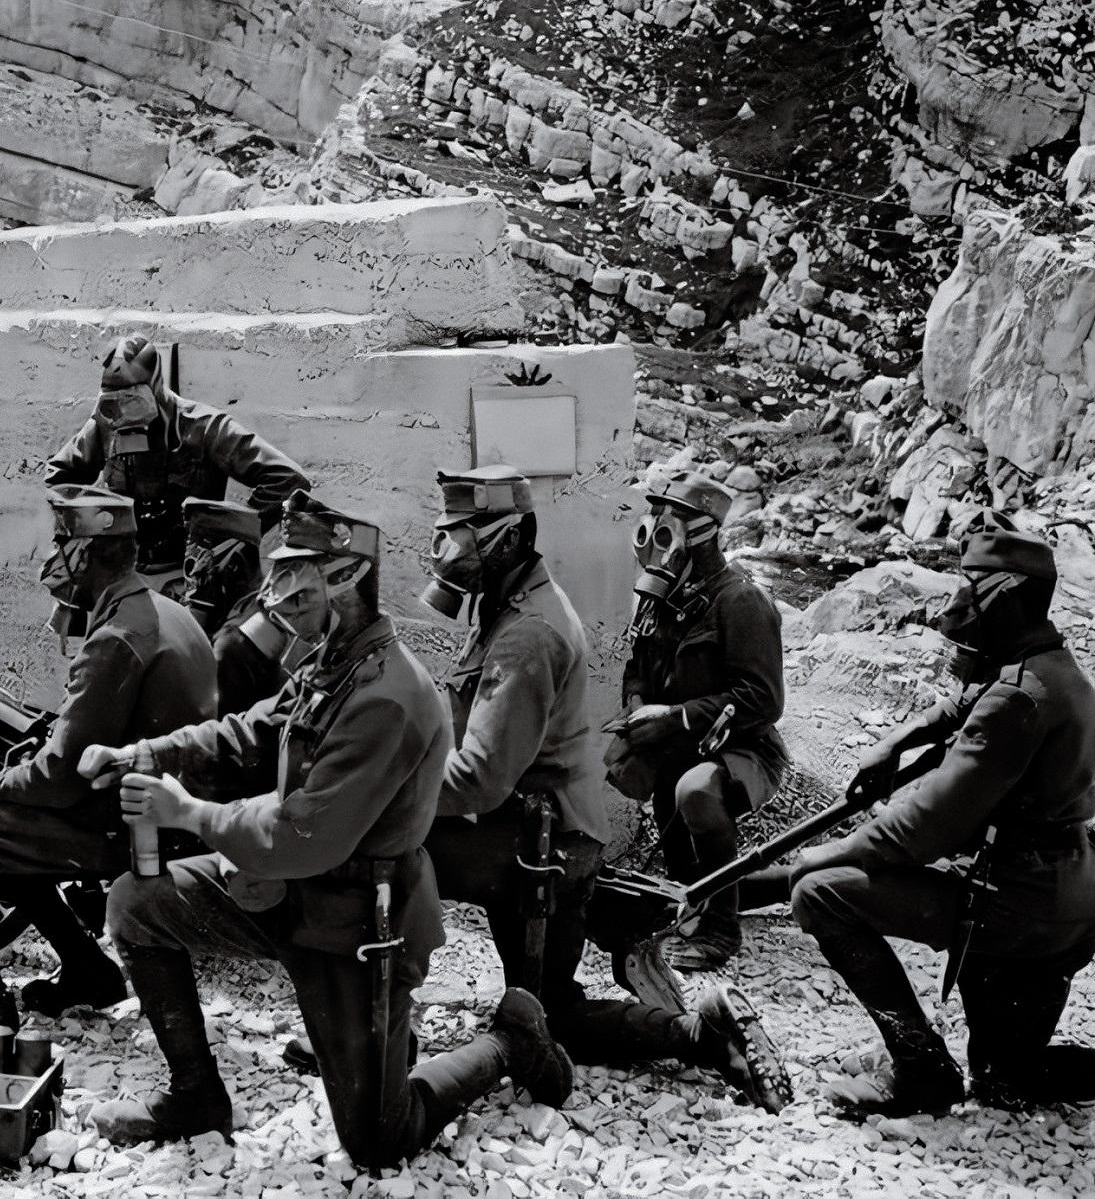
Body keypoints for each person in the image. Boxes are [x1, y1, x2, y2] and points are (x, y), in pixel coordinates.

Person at [78, 493, 571, 1168]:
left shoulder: (388, 698)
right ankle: (196, 1095)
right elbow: (254, 727)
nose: (276, 597)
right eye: (276, 577)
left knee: (378, 1142)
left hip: (358, 926)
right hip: (287, 895)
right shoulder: (333, 661)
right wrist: (151, 754)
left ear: (345, 578)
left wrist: (188, 812)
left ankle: (510, 1043)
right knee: (136, 903)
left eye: (293, 579)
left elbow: (305, 834)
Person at [782, 521, 1095, 1118]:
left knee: (820, 892)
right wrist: (899, 740)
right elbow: (965, 701)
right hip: (1062, 908)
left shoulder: (1017, 698)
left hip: (1015, 911)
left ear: (1002, 594)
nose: (958, 602)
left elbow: (924, 827)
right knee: (1009, 1082)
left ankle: (921, 1071)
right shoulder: (1051, 667)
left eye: (969, 587)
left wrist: (828, 855)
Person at [390, 466, 787, 1109]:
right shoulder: (509, 606)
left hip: (541, 846)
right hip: (536, 835)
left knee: (385, 842)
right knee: (557, 1014)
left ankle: (379, 1029)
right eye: (447, 538)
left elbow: (479, 781)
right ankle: (700, 1028)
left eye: (462, 539)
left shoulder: (528, 633)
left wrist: (383, 792)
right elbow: (635, 664)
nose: (450, 556)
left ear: (509, 540)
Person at [0, 487, 217, 1032]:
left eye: (60, 542)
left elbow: (56, 779)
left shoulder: (117, 637)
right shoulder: (167, 613)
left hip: (131, 825)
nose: (53, 557)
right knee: (6, 827)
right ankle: (86, 968)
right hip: (157, 807)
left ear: (83, 553)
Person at [606, 475, 787, 971]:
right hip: (680, 741)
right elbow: (635, 667)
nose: (655, 539)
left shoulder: (741, 602)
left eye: (669, 527)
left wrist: (677, 717)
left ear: (702, 537)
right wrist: (638, 704)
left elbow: (763, 700)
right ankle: (694, 901)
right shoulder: (659, 598)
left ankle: (722, 930)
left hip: (742, 747)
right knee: (659, 783)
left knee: (695, 792)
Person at [45, 334, 310, 580]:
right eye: (112, 404)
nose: (123, 414)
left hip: (194, 575)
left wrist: (232, 534)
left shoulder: (205, 428)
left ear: (155, 391)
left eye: (132, 401)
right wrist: (92, 528)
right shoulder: (106, 425)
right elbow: (60, 477)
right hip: (128, 574)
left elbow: (287, 479)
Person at [178, 496, 294, 717]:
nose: (192, 577)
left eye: (199, 566)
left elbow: (206, 724)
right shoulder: (264, 607)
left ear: (234, 563)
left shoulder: (232, 641)